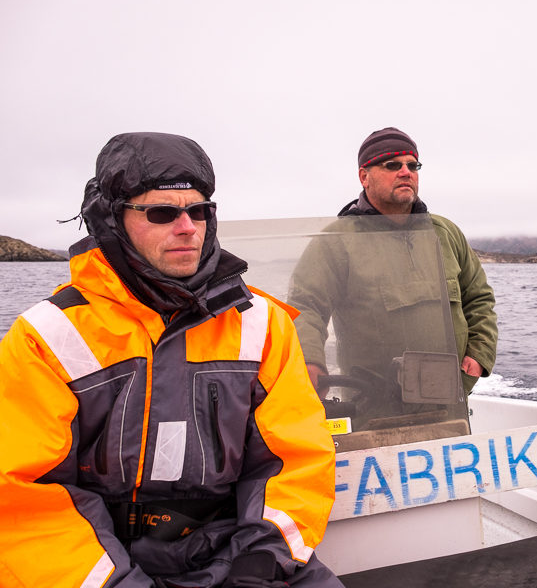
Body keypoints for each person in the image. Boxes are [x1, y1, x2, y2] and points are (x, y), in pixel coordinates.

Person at [0, 133, 343, 588]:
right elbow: (24, 492)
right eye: (162, 213)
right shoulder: (46, 336)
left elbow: (295, 459)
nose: (188, 226)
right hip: (102, 562)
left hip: (236, 552)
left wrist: (262, 560)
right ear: (113, 220)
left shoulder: (264, 324)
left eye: (200, 211)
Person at [288, 127, 497, 406]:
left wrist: (479, 354)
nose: (405, 172)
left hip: (448, 400)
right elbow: (306, 306)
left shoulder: (445, 233)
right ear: (364, 176)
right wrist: (311, 361)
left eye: (413, 165)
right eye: (392, 165)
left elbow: (479, 298)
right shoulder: (336, 241)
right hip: (372, 406)